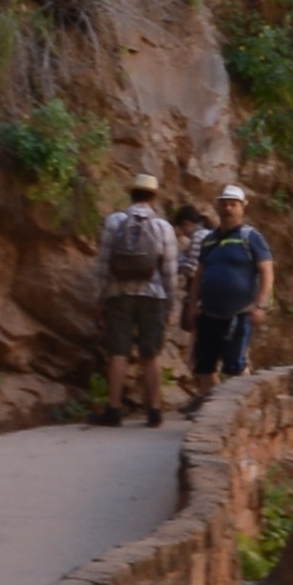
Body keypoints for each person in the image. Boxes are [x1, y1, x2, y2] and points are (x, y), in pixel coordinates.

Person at [91, 171, 181, 422]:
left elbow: (103, 266)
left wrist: (99, 300)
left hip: (118, 295)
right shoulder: (163, 227)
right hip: (153, 296)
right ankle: (153, 410)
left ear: (131, 194)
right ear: (154, 197)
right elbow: (170, 272)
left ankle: (114, 409)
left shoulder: (114, 222)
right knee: (150, 354)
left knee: (118, 353)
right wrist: (170, 305)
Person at [184, 182, 269, 405]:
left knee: (236, 365)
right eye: (224, 204)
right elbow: (199, 276)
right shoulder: (209, 240)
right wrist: (193, 306)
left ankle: (245, 409)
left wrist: (261, 305)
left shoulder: (251, 237)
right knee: (204, 365)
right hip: (209, 313)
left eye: (233, 205)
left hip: (239, 313)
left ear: (242, 208)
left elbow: (267, 272)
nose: (228, 209)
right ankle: (216, 408)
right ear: (218, 207)